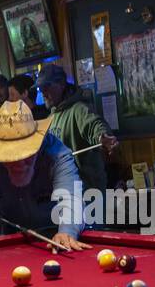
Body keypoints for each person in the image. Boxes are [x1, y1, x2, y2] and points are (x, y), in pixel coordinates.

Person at [0, 99, 89, 252]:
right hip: (10, 235)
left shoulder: (57, 155)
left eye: (26, 153)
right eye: (10, 155)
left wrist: (67, 231)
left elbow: (71, 198)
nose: (19, 163)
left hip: (54, 233)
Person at [36, 64, 119, 197]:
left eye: (47, 87)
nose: (44, 93)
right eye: (41, 88)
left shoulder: (79, 109)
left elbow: (95, 125)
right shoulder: (50, 117)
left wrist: (103, 137)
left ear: (62, 84)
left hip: (89, 196)